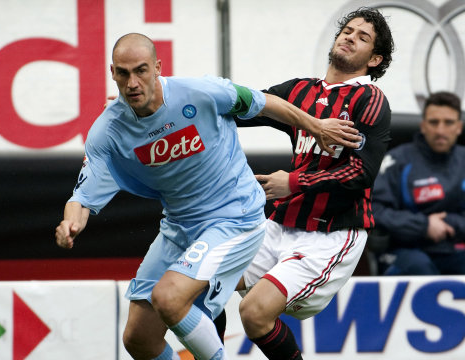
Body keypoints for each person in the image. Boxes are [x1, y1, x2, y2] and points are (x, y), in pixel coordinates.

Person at [55, 33, 360, 360]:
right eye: (124, 73)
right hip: (179, 228)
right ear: (112, 72)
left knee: (170, 298)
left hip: (235, 218)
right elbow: (83, 196)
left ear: (158, 68)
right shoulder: (107, 131)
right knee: (138, 338)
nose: (132, 82)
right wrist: (70, 223)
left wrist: (315, 127)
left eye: (141, 70)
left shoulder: (201, 92)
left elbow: (265, 102)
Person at [233, 7, 394, 359]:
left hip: (330, 233)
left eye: (362, 37)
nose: (350, 36)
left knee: (254, 313)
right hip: (278, 224)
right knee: (203, 286)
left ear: (375, 58)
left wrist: (294, 181)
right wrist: (165, 100)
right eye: (347, 30)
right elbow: (239, 106)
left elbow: (361, 173)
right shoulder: (300, 91)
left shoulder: (369, 100)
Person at [371, 91, 465, 275]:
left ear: (459, 127)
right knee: (419, 267)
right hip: (403, 250)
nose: (440, 130)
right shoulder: (396, 161)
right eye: (433, 122)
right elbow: (374, 210)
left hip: (453, 248)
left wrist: (448, 223)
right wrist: (423, 226)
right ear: (422, 126)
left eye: (448, 122)